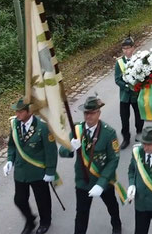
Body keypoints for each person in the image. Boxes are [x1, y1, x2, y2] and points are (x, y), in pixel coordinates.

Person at [59, 96, 122, 234]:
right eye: (86, 113)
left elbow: (113, 159)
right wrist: (70, 146)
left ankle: (116, 225)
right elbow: (62, 152)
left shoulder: (108, 132)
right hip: (83, 180)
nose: (89, 116)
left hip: (102, 178)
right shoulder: (77, 130)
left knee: (112, 205)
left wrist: (101, 183)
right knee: (81, 214)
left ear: (99, 113)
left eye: (92, 113)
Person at [3, 98, 58, 234]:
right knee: (19, 199)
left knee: (42, 200)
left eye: (20, 112)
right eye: (16, 112)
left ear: (29, 111)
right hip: (21, 171)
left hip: (38, 171)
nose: (17, 115)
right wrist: (10, 160)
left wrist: (50, 171)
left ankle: (45, 222)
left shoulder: (42, 127)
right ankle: (30, 220)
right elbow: (12, 145)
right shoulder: (15, 124)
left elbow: (51, 151)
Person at [115, 36, 144, 149]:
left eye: (129, 48)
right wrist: (126, 86)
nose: (126, 51)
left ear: (133, 48)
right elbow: (117, 79)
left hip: (136, 94)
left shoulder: (139, 60)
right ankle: (126, 138)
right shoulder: (119, 62)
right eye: (124, 48)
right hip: (125, 95)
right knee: (124, 117)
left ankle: (140, 132)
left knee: (139, 114)